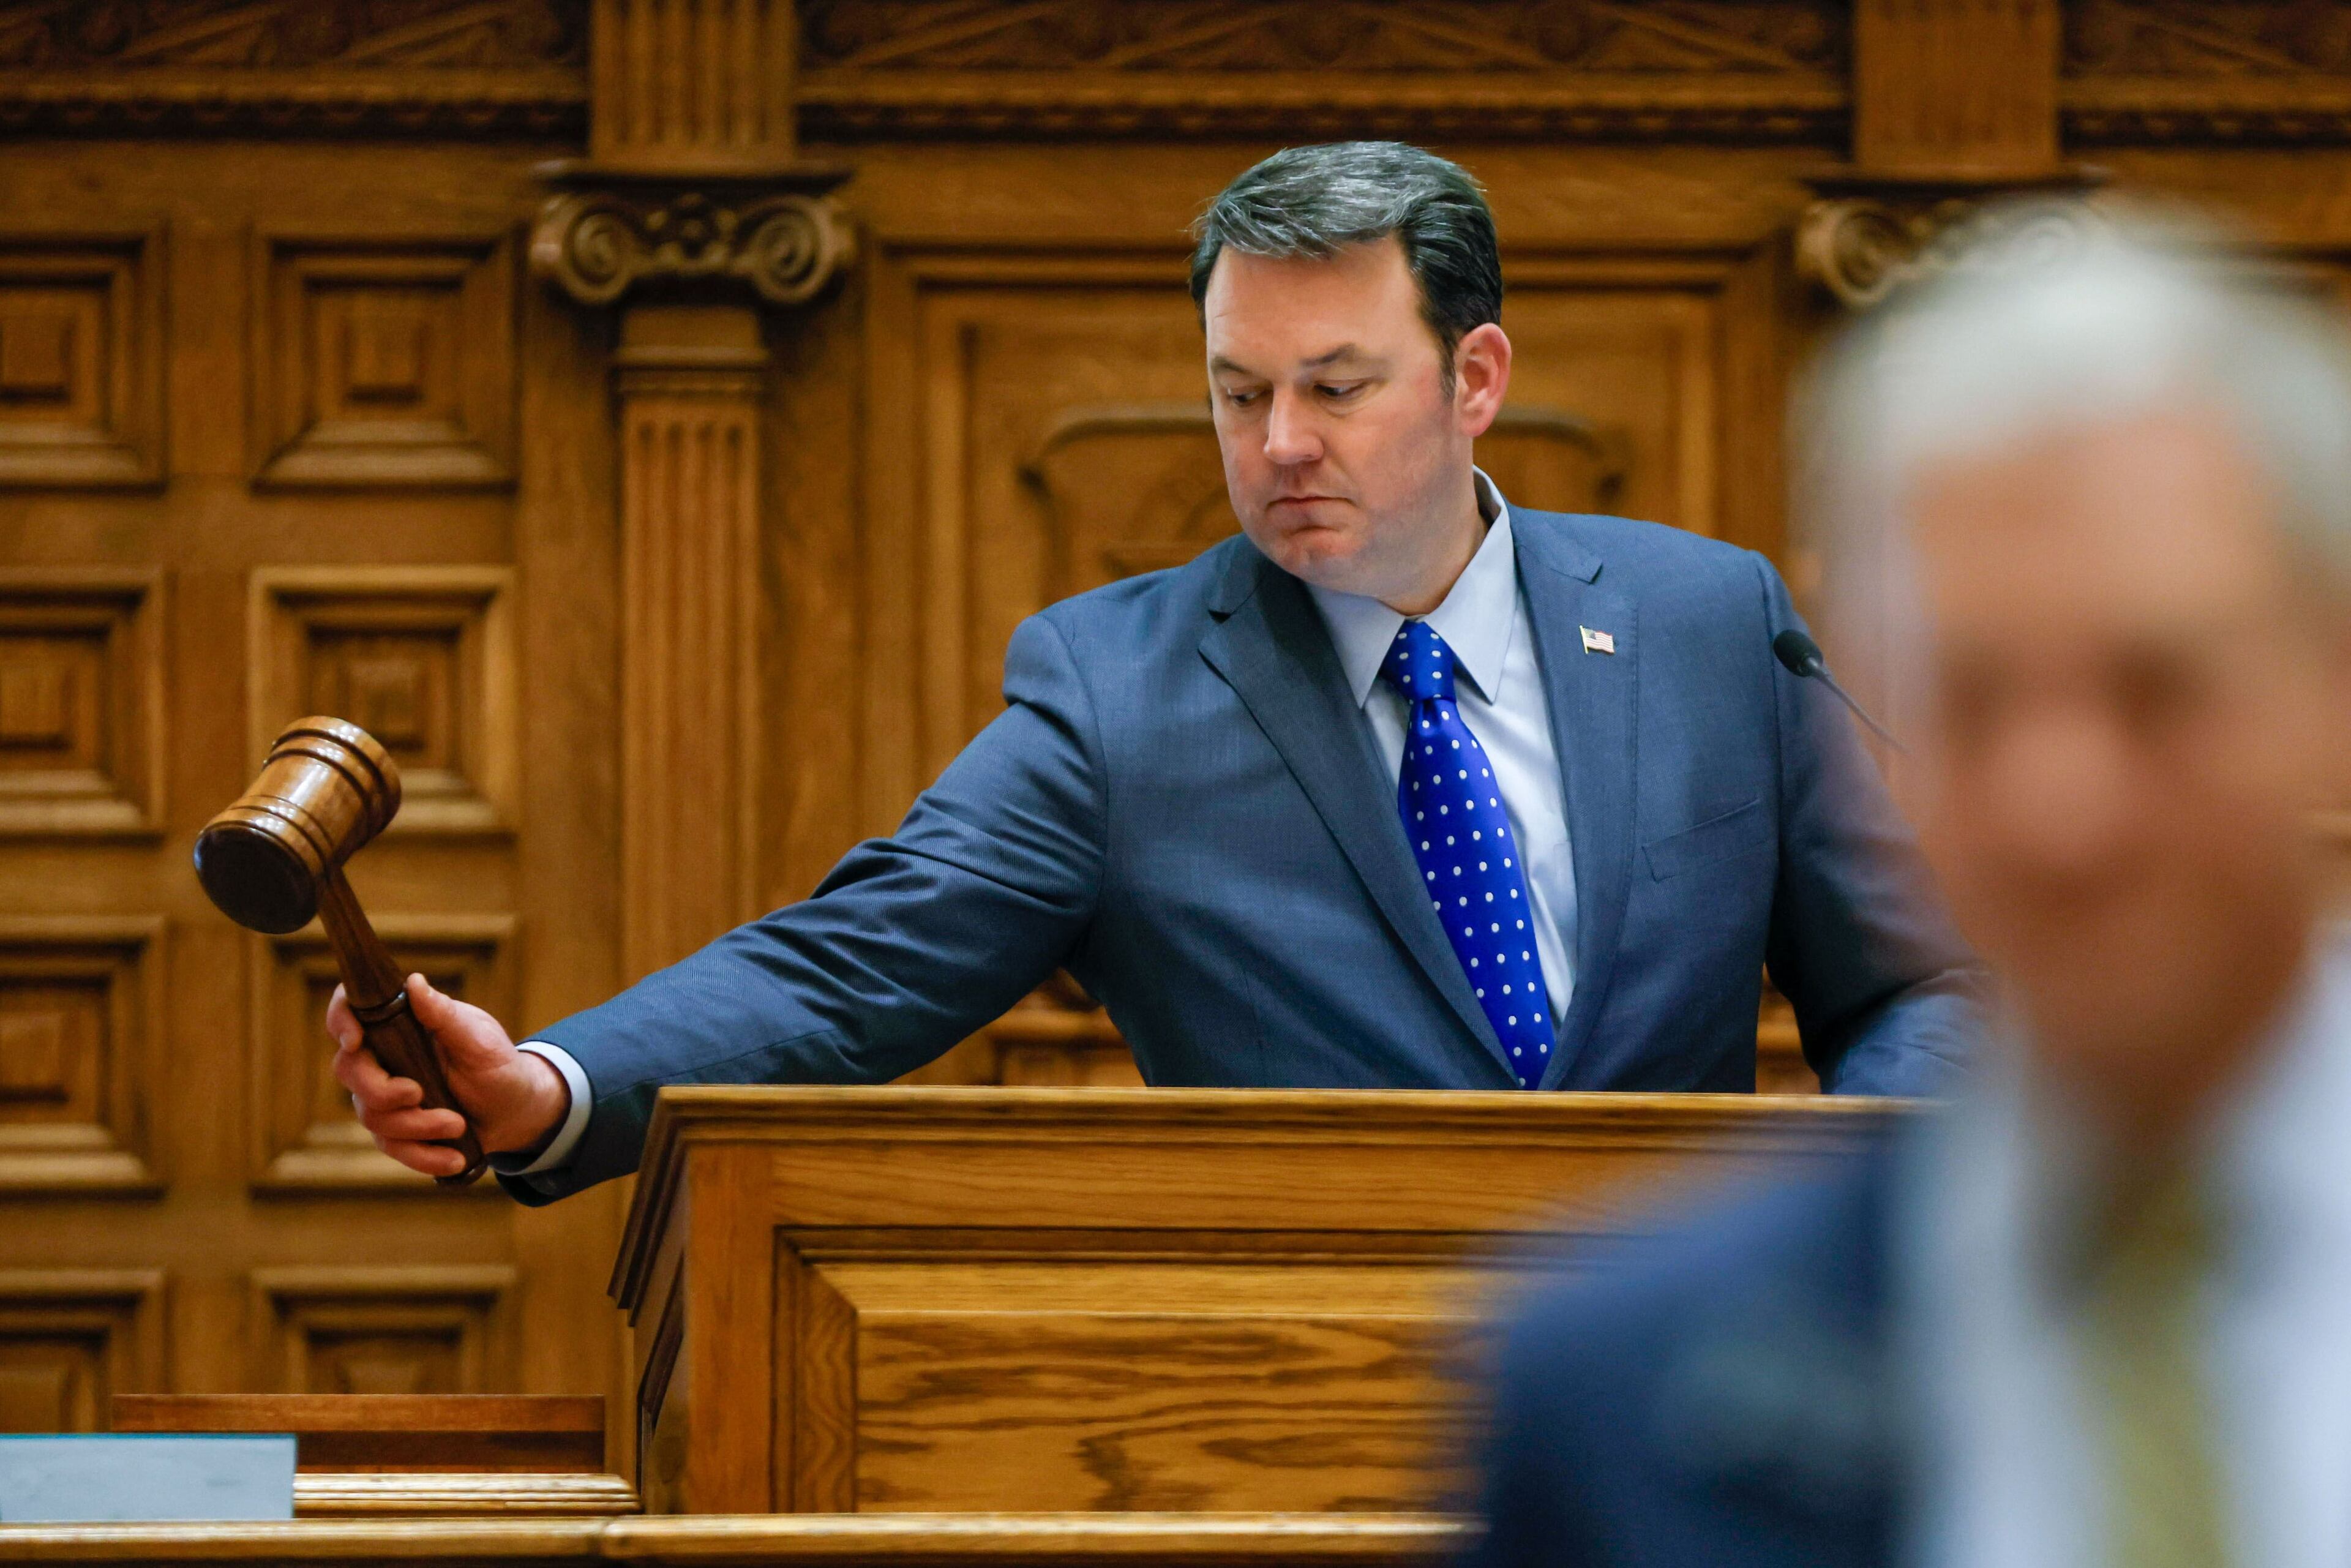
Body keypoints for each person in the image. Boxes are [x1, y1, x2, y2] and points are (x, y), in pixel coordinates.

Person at [330, 141, 1976, 1204]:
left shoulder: (1703, 623)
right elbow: (851, 968)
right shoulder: (1117, 693)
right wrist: (552, 1085)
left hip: (1694, 1397)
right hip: (1298, 1392)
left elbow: (1915, 979)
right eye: (1239, 391)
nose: (1280, 444)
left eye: (1338, 385)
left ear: (1475, 377)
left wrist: (1885, 1206)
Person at [1473, 217, 2351, 1567]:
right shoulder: (1618, 1397)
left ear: (2330, 672)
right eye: (1973, 697)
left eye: (2159, 686)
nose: (2064, 812)